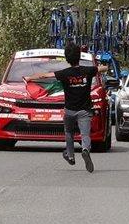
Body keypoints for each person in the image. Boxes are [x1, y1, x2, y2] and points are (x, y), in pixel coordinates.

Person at [25, 42, 109, 173]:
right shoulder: (88, 71)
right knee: (85, 134)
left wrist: (29, 78)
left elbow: (45, 76)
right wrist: (103, 66)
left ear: (67, 58)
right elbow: (103, 69)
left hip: (69, 110)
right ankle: (85, 150)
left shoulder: (64, 73)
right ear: (79, 56)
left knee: (69, 133)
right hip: (84, 111)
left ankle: (70, 156)